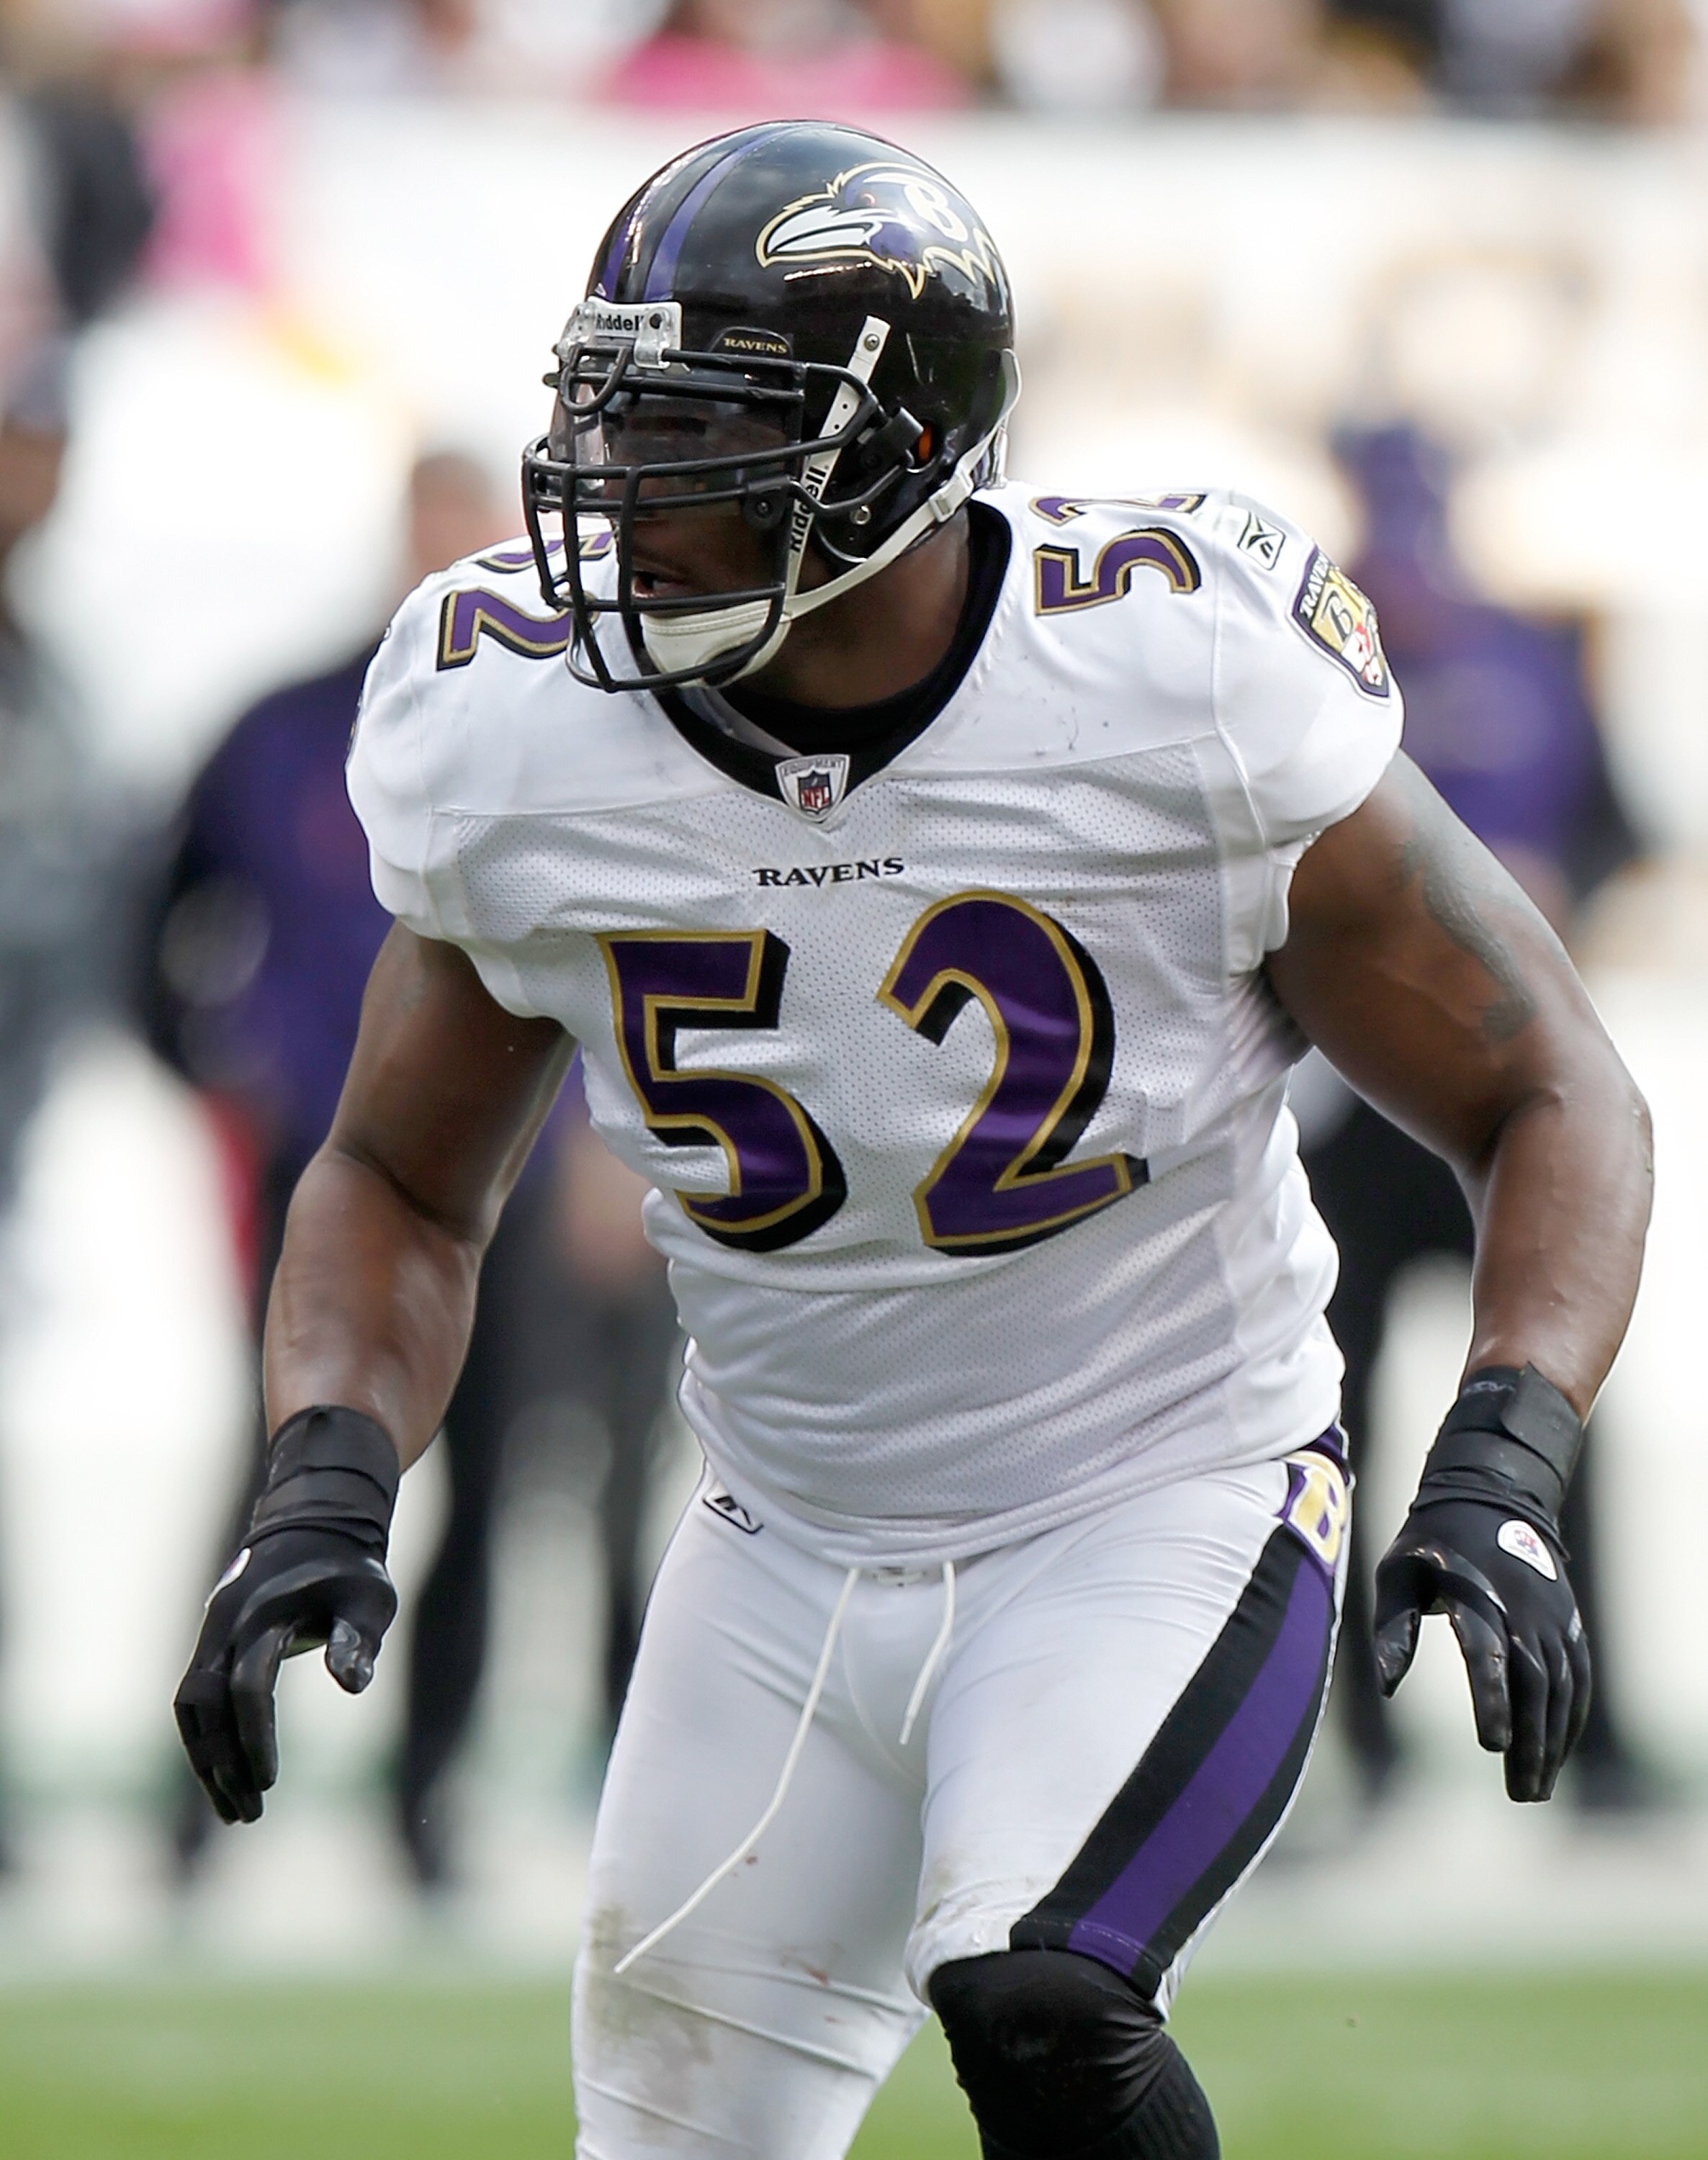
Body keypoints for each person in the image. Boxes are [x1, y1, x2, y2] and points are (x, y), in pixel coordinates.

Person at [174, 124, 1651, 2160]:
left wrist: (1501, 1455)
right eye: (607, 408)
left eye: (696, 428)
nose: (619, 486)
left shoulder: (1170, 677)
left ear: (894, 452)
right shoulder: (501, 720)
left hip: (1159, 1490)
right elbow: (398, 1177)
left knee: (1042, 1990)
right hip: (773, 1542)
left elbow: (1547, 1083)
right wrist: (324, 1480)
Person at [153, 449, 676, 1885]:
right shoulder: (286, 724)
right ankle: (190, 1807)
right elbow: (164, 922)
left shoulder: (582, 734)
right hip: (336, 1163)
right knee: (295, 1460)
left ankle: (421, 1807)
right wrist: (230, 1075)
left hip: (513, 1170)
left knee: (500, 1471)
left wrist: (600, 1151)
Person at [1300, 420, 1653, 1809]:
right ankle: (1358, 1739)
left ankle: (1597, 1731)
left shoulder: (1539, 654)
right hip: (1343, 1104)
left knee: (1545, 1406)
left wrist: (1553, 888)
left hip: (1503, 1093)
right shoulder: (1313, 657)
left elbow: (1618, 832)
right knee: (1327, 1420)